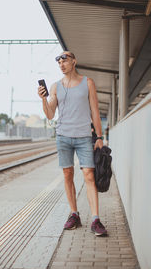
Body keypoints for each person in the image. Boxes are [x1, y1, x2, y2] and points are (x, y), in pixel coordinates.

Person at [38, 51, 107, 236]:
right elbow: (51, 114)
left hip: (84, 136)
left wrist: (99, 137)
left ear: (74, 61)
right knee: (68, 175)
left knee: (89, 175)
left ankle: (95, 219)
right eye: (58, 60)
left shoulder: (88, 82)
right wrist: (43, 99)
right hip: (63, 137)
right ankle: (74, 214)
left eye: (64, 59)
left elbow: (94, 111)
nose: (61, 63)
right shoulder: (55, 86)